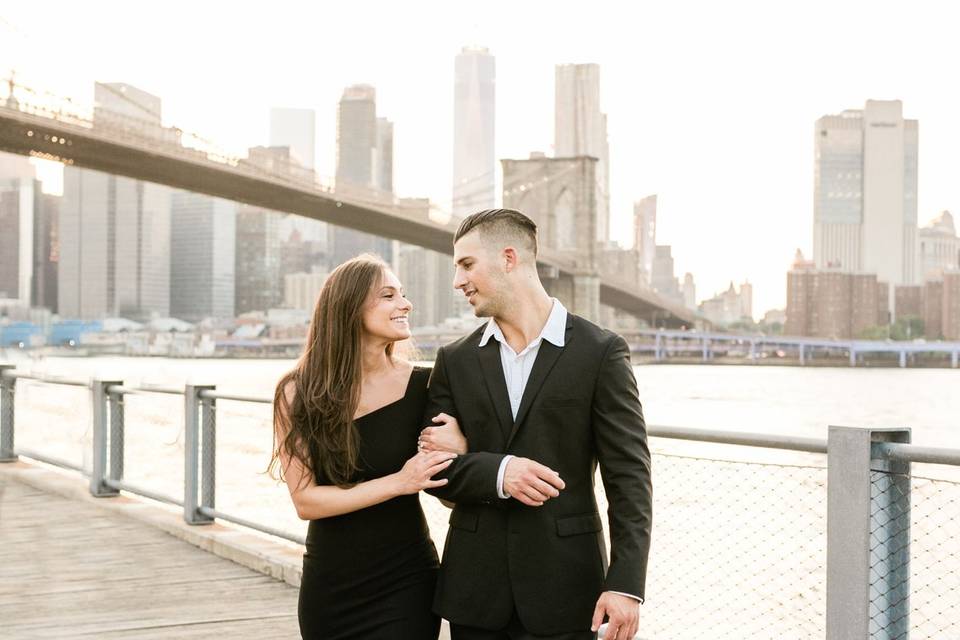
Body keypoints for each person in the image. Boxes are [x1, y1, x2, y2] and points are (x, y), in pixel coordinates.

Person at [418, 209, 653, 640]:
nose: (458, 281)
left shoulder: (601, 353)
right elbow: (435, 473)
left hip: (568, 592)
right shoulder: (454, 360)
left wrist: (625, 585)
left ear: (509, 259)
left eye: (466, 264)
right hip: (475, 595)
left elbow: (630, 479)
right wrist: (500, 472)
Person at [270, 254, 460, 640]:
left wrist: (461, 447)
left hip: (406, 581)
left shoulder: (427, 386)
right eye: (388, 295)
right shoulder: (295, 392)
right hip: (331, 585)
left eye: (403, 294)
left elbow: (452, 494)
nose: (405, 304)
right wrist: (399, 482)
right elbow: (306, 502)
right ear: (349, 307)